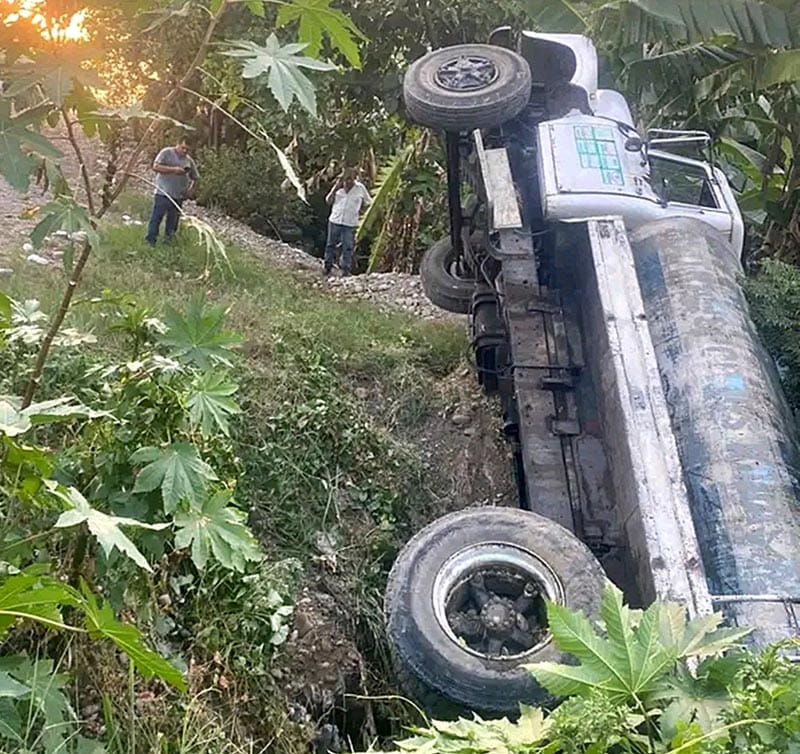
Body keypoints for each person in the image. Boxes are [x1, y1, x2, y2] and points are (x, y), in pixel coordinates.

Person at [146, 136, 199, 247]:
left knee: (173, 222)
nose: (184, 151)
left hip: (178, 196)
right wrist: (173, 170)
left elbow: (196, 178)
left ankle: (168, 243)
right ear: (178, 144)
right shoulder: (166, 152)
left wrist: (191, 191)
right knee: (156, 218)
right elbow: (155, 166)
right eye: (183, 148)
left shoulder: (189, 160)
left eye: (187, 150)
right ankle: (150, 242)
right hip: (163, 193)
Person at [323, 167, 371, 277]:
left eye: (351, 179)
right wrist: (335, 188)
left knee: (348, 246)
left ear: (354, 179)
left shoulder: (360, 188)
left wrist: (361, 212)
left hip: (350, 222)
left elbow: (369, 203)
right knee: (330, 244)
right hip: (335, 220)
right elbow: (328, 201)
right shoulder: (337, 188)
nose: (348, 182)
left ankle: (345, 270)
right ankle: (327, 266)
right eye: (346, 179)